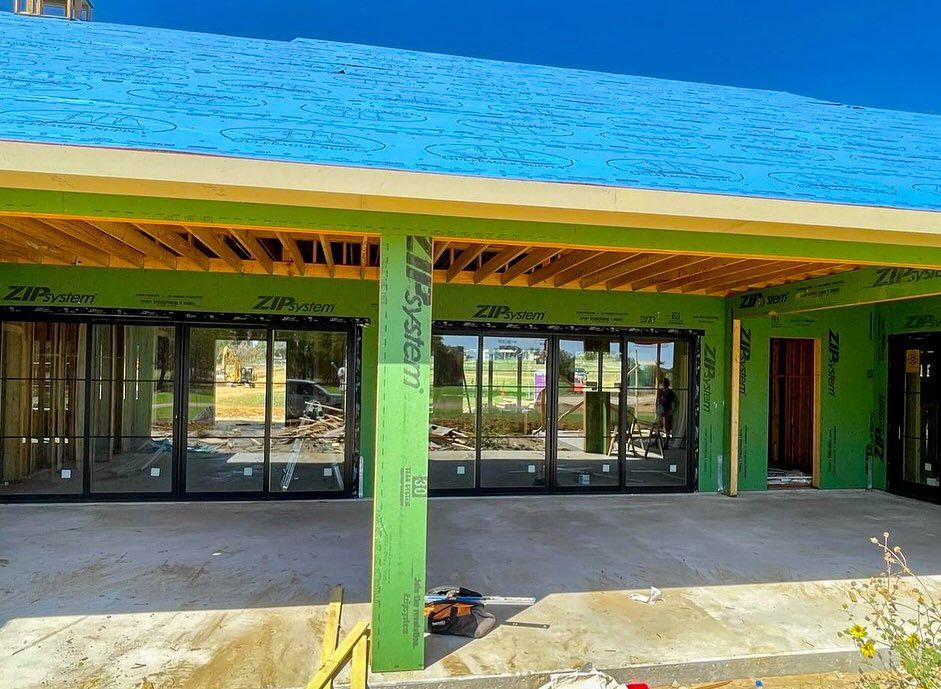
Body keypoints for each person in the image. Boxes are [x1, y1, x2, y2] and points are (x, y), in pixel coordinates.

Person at [655, 378, 678, 449]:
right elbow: (657, 401)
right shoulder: (661, 392)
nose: (664, 384)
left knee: (667, 428)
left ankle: (666, 443)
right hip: (661, 412)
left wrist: (672, 411)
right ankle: (657, 442)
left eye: (665, 383)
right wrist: (657, 409)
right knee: (657, 427)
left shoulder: (670, 393)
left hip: (666, 413)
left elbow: (676, 402)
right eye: (663, 382)